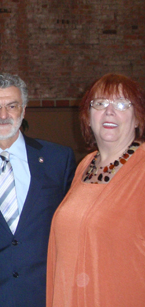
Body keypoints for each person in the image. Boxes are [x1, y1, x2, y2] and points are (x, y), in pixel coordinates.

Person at [0, 73, 76, 306]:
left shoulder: (58, 159)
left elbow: (72, 228)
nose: (3, 115)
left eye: (12, 106)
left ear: (24, 109)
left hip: (46, 291)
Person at [46, 74, 145, 306]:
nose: (109, 111)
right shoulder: (86, 165)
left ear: (138, 118)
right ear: (88, 117)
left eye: (122, 104)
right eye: (100, 103)